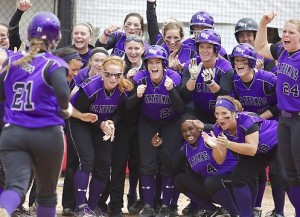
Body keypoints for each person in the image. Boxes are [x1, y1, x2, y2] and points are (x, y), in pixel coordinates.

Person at [0, 11, 73, 217]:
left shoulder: (11, 61)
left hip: (12, 133)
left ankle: (4, 208)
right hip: (46, 133)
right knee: (47, 194)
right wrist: (65, 109)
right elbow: (63, 95)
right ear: (56, 38)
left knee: (15, 185)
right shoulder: (54, 63)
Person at [125, 45, 185, 217]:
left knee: (168, 165)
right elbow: (128, 106)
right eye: (150, 62)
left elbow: (181, 107)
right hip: (148, 122)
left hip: (170, 123)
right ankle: (149, 206)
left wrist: (171, 90)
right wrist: (136, 95)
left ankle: (165, 206)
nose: (154, 65)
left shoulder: (174, 77)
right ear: (145, 65)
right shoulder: (140, 77)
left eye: (157, 62)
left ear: (164, 64)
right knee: (147, 164)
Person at [69, 56, 133, 217]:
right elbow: (80, 113)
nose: (113, 78)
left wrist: (111, 123)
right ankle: (80, 207)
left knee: (104, 166)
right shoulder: (91, 87)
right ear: (103, 73)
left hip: (102, 124)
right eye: (109, 74)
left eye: (117, 75)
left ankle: (92, 206)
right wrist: (101, 124)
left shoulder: (122, 88)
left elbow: (119, 110)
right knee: (87, 160)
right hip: (80, 121)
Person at [230, 43, 287, 217]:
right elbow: (236, 106)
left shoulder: (268, 79)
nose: (239, 63)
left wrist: (260, 117)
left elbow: (281, 102)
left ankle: (279, 212)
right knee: (254, 172)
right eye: (236, 60)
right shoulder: (234, 80)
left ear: (252, 62)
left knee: (277, 175)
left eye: (243, 60)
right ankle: (255, 208)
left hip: (274, 131)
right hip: (253, 131)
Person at [254, 11, 300, 217]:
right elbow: (260, 47)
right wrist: (263, 24)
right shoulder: (282, 51)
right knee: (288, 175)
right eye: (284, 31)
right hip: (284, 120)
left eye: (291, 32)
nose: (285, 35)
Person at [151, 114, 239, 216]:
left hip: (232, 182)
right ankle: (213, 210)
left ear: (198, 128)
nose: (188, 133)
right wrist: (159, 148)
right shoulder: (186, 148)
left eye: (190, 129)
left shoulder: (210, 136)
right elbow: (172, 167)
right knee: (180, 180)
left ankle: (235, 213)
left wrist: (206, 126)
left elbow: (226, 131)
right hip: (213, 186)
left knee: (211, 181)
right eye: (183, 131)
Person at [209, 95, 281, 217]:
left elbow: (252, 149)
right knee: (239, 177)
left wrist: (228, 143)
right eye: (217, 114)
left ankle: (280, 213)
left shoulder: (246, 119)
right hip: (259, 151)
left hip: (277, 142)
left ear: (234, 113)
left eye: (224, 113)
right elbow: (220, 160)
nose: (220, 118)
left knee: (281, 176)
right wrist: (215, 146)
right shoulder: (218, 128)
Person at [108, 35, 145, 217]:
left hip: (142, 125)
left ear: (143, 49)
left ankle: (136, 198)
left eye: (136, 48)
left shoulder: (150, 67)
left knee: (139, 164)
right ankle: (115, 205)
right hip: (122, 124)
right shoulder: (119, 69)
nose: (133, 52)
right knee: (118, 165)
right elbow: (120, 104)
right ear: (124, 49)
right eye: (129, 48)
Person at [180, 29, 234, 127]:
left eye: (209, 47)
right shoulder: (191, 64)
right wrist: (193, 78)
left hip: (220, 113)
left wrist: (211, 83)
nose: (204, 50)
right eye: (201, 47)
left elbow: (226, 97)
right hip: (197, 111)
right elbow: (184, 95)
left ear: (216, 49)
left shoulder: (225, 67)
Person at [146, 0, 197, 76]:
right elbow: (151, 19)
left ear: (182, 36)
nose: (172, 42)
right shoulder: (159, 45)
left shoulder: (191, 51)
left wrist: (184, 69)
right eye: (168, 37)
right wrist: (151, 3)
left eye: (176, 38)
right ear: (163, 37)